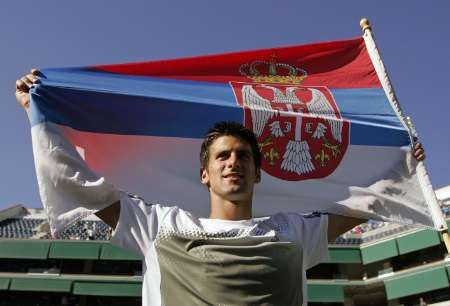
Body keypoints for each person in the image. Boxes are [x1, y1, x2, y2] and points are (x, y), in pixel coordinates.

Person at [16, 69, 425, 305]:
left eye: (244, 156)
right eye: (223, 157)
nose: (234, 163)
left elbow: (370, 199)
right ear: (205, 174)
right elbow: (77, 182)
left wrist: (402, 162)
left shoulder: (291, 234)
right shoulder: (161, 227)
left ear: (258, 173)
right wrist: (39, 113)